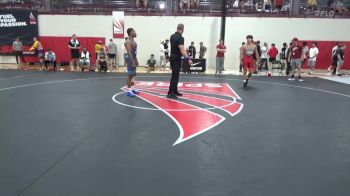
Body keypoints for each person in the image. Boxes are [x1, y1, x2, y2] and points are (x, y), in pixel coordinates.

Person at [168, 24, 193, 99]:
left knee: (175, 75)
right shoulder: (181, 37)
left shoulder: (172, 36)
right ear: (183, 29)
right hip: (176, 58)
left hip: (172, 56)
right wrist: (188, 58)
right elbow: (181, 49)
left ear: (177, 28)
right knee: (175, 76)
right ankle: (171, 92)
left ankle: (175, 91)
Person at [125, 28, 140, 97]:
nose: (135, 32)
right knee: (130, 75)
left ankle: (133, 89)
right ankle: (129, 91)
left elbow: (134, 53)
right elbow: (129, 53)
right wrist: (133, 61)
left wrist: (136, 60)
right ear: (130, 33)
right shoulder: (128, 42)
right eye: (134, 31)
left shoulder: (134, 41)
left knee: (133, 75)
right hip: (130, 60)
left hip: (133, 59)